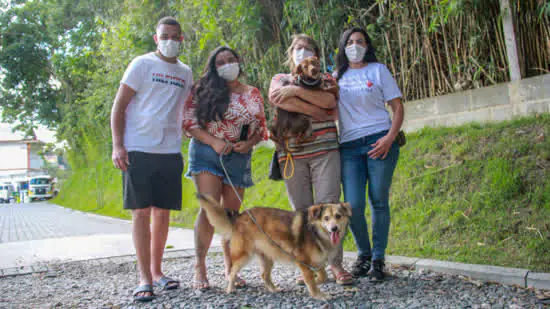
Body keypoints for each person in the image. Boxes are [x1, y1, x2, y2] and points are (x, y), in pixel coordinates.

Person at [110, 17, 193, 302]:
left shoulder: (185, 72)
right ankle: (144, 277)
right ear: (156, 39)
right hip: (138, 149)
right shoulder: (141, 64)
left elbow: (186, 108)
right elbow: (119, 106)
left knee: (163, 213)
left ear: (182, 39)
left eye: (175, 36)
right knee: (141, 212)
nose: (170, 40)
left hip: (170, 151)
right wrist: (118, 145)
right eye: (164, 36)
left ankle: (158, 272)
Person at [268, 34, 354, 286]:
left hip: (325, 150)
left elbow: (329, 100)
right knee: (303, 213)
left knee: (331, 208)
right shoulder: (279, 79)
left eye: (308, 48)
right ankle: (309, 266)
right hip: (292, 155)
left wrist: (294, 94)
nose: (303, 52)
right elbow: (277, 97)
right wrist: (316, 109)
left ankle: (336, 264)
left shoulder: (325, 77)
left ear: (317, 53)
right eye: (298, 48)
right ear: (290, 52)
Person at [182, 46, 267, 290]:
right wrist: (215, 142)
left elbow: (260, 127)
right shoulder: (201, 89)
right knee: (210, 210)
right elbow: (189, 123)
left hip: (238, 156)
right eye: (221, 62)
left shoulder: (253, 93)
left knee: (231, 215)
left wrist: (248, 143)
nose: (227, 64)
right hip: (207, 151)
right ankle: (200, 267)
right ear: (213, 67)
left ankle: (231, 266)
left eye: (231, 60)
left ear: (239, 62)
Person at [334, 27, 404, 281]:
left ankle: (378, 259)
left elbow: (397, 108)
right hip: (350, 147)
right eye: (350, 42)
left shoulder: (378, 70)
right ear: (343, 47)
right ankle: (363, 254)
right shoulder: (335, 77)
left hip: (379, 140)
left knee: (379, 200)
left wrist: (389, 138)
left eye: (360, 41)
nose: (355, 45)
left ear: (367, 45)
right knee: (352, 205)